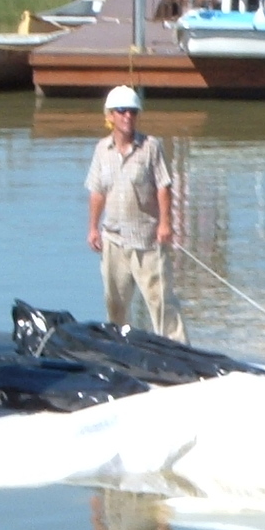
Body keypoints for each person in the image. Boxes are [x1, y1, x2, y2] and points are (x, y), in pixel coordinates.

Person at [85, 85, 185, 341]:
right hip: (114, 240)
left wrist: (165, 224)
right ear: (110, 116)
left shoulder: (151, 147)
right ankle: (120, 347)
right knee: (115, 304)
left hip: (147, 241)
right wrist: (93, 228)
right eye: (121, 111)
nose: (127, 117)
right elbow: (97, 192)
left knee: (162, 302)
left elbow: (164, 186)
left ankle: (178, 349)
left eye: (132, 112)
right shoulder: (101, 150)